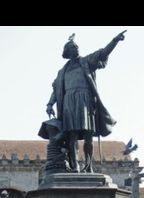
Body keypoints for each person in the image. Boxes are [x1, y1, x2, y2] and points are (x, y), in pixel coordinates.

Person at [46, 30, 126, 173]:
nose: (76, 48)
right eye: (73, 47)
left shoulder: (86, 62)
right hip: (69, 103)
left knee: (88, 135)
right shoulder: (62, 72)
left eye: (77, 47)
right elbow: (56, 89)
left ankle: (88, 165)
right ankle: (74, 165)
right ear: (67, 52)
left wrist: (114, 41)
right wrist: (50, 104)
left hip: (85, 101)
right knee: (72, 135)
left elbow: (103, 53)